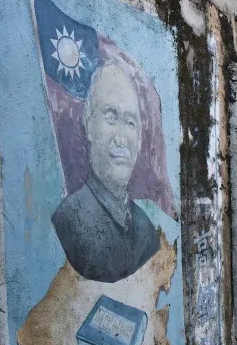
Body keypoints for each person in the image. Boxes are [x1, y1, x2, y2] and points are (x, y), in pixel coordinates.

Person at [52, 62, 159, 283]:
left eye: (130, 122)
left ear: (140, 138)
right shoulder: (68, 220)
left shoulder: (146, 230)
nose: (121, 138)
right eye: (111, 118)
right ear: (88, 124)